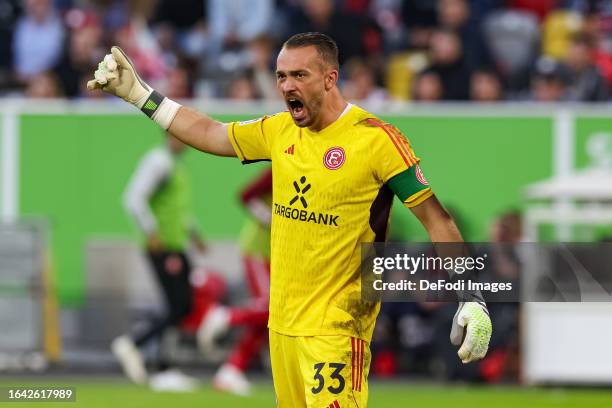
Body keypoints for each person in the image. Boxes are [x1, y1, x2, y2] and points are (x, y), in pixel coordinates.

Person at [88, 32, 491, 407]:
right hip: (282, 329)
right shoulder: (279, 131)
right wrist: (141, 95)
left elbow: (437, 219)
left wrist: (470, 296)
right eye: (281, 76)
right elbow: (211, 133)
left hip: (336, 329)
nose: (286, 86)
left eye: (299, 75)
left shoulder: (376, 139)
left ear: (331, 78)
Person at [114, 132, 206, 392]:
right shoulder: (159, 162)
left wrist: (193, 233)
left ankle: (165, 367)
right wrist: (151, 231)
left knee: (177, 306)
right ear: (169, 136)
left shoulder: (176, 166)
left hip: (176, 245)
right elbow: (133, 197)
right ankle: (134, 344)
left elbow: (175, 209)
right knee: (180, 305)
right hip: (164, 246)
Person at [198, 167, 273, 396]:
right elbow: (245, 195)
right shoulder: (281, 166)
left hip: (279, 254)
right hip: (258, 249)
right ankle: (226, 315)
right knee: (272, 306)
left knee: (268, 319)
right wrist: (272, 220)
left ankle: (231, 371)